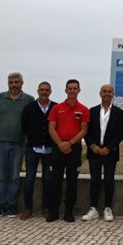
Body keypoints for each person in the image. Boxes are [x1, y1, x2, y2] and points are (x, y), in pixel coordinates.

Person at [0, 72, 34, 218]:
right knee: (1, 176)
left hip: (19, 143)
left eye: (16, 82)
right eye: (11, 82)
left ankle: (11, 205)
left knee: (14, 176)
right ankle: (0, 206)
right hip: (1, 142)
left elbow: (29, 120)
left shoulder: (29, 99)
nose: (14, 85)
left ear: (22, 83)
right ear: (8, 83)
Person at [46, 79, 89, 222]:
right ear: (66, 91)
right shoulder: (57, 108)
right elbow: (51, 128)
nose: (72, 91)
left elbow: (84, 130)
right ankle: (53, 212)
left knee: (72, 181)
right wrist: (60, 144)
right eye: (69, 88)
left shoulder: (83, 109)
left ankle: (69, 212)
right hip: (58, 148)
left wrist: (69, 143)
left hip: (74, 148)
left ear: (79, 90)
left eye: (75, 88)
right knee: (55, 181)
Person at [82, 84, 123, 222]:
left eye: (109, 92)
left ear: (113, 94)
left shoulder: (119, 112)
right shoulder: (92, 111)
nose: (107, 94)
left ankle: (108, 208)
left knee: (109, 181)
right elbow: (86, 131)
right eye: (104, 91)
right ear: (100, 93)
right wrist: (92, 145)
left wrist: (109, 147)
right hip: (94, 152)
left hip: (110, 153)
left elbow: (120, 133)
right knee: (94, 180)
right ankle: (93, 208)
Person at [19, 81, 56, 220]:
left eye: (47, 90)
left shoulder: (55, 107)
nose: (44, 92)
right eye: (42, 89)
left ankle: (46, 208)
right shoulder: (29, 107)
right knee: (29, 179)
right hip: (32, 149)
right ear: (38, 91)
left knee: (48, 179)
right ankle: (28, 208)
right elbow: (24, 126)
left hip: (50, 149)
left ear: (50, 91)